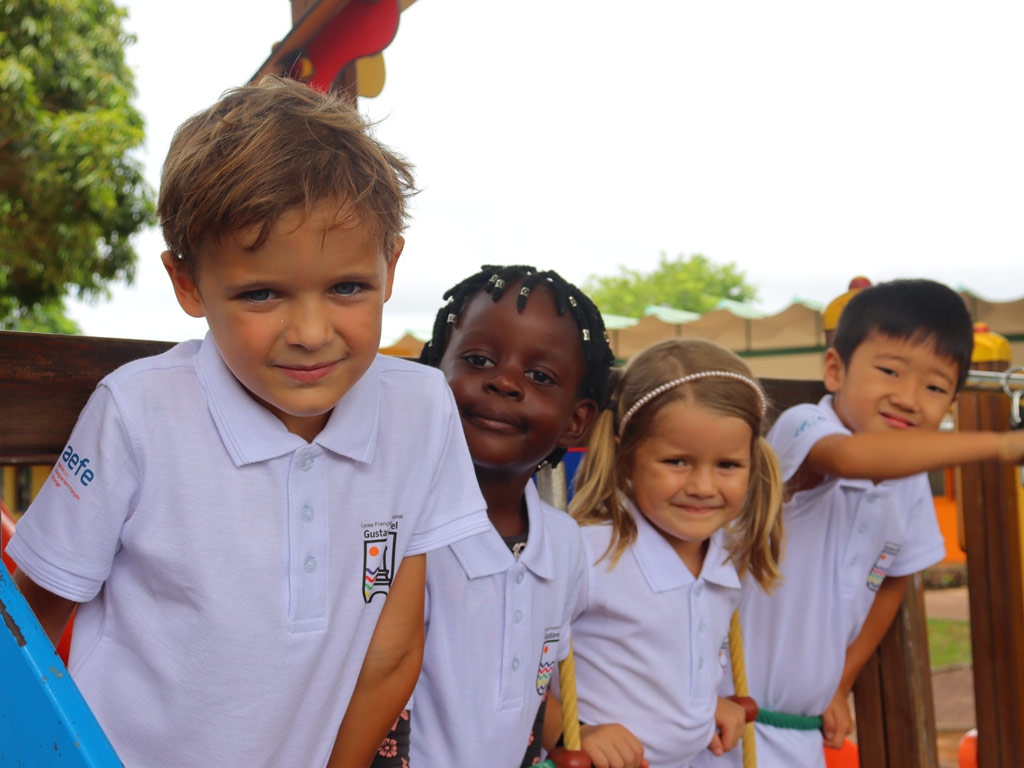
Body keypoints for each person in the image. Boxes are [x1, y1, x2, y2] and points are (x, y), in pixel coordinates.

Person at [7, 76, 490, 768]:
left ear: (391, 264)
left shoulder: (420, 409)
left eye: (347, 287)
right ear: (187, 285)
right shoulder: (138, 412)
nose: (311, 332)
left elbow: (391, 648)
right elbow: (27, 629)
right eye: (261, 293)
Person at [706, 278, 1024, 768]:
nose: (909, 397)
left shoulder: (911, 483)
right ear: (835, 370)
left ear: (950, 405)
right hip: (718, 721)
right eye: (890, 371)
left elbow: (894, 581)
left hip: (801, 733)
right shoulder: (805, 428)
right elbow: (852, 458)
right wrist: (1003, 446)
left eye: (935, 386)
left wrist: (840, 682)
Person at [395, 265, 615, 768]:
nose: (505, 381)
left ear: (575, 421)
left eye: (540, 376)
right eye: (478, 359)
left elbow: (528, 686)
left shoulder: (563, 545)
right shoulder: (396, 528)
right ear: (433, 376)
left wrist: (565, 742)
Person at [545, 338, 786, 768]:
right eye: (677, 461)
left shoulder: (725, 558)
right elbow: (511, 672)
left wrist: (701, 707)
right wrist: (570, 729)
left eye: (727, 465)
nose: (703, 487)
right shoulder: (590, 552)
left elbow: (665, 661)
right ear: (626, 457)